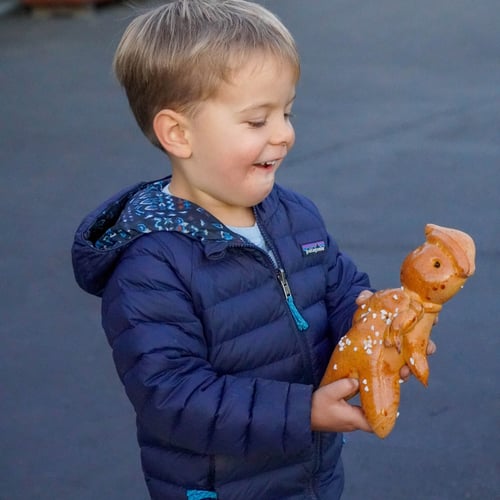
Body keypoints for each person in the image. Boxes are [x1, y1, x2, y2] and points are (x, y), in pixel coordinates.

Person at [71, 1, 414, 498]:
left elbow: (339, 285)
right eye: (257, 121)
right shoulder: (152, 265)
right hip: (223, 484)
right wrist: (304, 412)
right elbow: (172, 396)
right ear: (179, 134)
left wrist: (375, 324)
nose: (285, 134)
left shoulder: (294, 215)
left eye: (287, 111)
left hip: (308, 473)